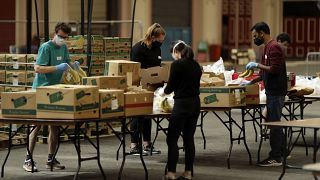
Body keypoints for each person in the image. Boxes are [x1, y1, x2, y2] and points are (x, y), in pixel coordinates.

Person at [23, 22, 79, 172]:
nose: (62, 39)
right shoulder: (46, 47)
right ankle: (28, 159)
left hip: (55, 91)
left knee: (54, 127)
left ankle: (51, 159)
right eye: (60, 36)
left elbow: (66, 62)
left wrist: (73, 65)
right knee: (36, 126)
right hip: (41, 91)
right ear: (55, 34)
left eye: (65, 37)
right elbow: (38, 68)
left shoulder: (64, 47)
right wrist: (56, 68)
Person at [244, 22, 287, 167]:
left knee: (274, 124)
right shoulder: (267, 48)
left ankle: (275, 157)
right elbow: (264, 72)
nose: (254, 38)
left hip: (276, 92)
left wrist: (256, 65)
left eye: (255, 35)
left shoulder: (274, 47)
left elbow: (274, 69)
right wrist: (250, 82)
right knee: (274, 122)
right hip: (271, 91)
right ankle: (282, 151)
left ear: (262, 33)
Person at [162, 40, 202, 180]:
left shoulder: (177, 64)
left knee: (172, 139)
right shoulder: (196, 65)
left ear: (176, 52)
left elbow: (171, 86)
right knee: (188, 139)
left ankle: (171, 173)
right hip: (195, 104)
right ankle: (188, 173)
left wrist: (163, 91)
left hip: (182, 104)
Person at [129, 23, 166, 155]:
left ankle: (147, 144)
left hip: (152, 86)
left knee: (147, 115)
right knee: (137, 114)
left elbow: (157, 65)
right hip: (138, 85)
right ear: (152, 37)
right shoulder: (139, 48)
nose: (161, 43)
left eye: (162, 41)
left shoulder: (157, 49)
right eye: (159, 40)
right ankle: (134, 145)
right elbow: (134, 69)